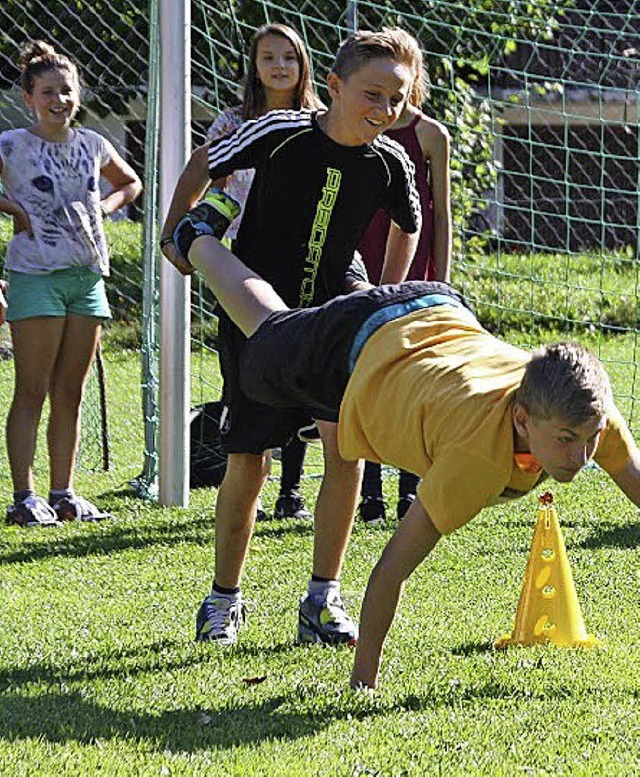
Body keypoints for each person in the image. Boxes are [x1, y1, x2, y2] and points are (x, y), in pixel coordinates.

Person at [172, 201, 640, 691]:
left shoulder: (590, 415)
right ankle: (198, 238)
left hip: (432, 308)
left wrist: (583, 435)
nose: (581, 457)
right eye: (566, 442)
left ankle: (347, 267)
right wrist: (363, 683)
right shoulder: (475, 457)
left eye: (588, 441)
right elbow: (392, 569)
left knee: (327, 324)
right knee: (267, 325)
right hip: (353, 351)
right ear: (521, 418)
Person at [161, 28, 423, 647]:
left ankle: (322, 599)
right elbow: (206, 159)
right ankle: (223, 600)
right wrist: (174, 231)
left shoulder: (392, 162)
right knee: (250, 456)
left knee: (345, 449)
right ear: (333, 87)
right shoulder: (280, 134)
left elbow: (408, 226)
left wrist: (382, 301)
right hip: (255, 312)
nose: (383, 111)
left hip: (334, 319)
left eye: (396, 100)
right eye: (371, 94)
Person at [0, 41, 142, 527]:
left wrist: (104, 208)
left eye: (67, 90)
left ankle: (64, 492)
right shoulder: (12, 144)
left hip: (87, 278)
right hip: (35, 274)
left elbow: (130, 182)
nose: (59, 100)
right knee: (32, 389)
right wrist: (13, 207)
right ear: (28, 98)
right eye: (47, 92)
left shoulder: (92, 144)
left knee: (70, 392)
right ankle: (25, 496)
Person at [206, 23, 324, 522]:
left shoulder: (321, 124)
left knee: (300, 372)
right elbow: (212, 183)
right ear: (253, 65)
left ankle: (291, 491)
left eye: (289, 58)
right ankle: (251, 474)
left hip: (303, 263)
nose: (279, 67)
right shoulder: (230, 124)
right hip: (241, 266)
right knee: (247, 372)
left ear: (304, 66)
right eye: (268, 57)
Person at [356, 29, 452, 525]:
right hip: (362, 266)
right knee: (368, 375)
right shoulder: (359, 127)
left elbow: (443, 216)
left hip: (415, 270)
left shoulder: (431, 134)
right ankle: (369, 490)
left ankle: (410, 488)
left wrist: (444, 279)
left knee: (414, 380)